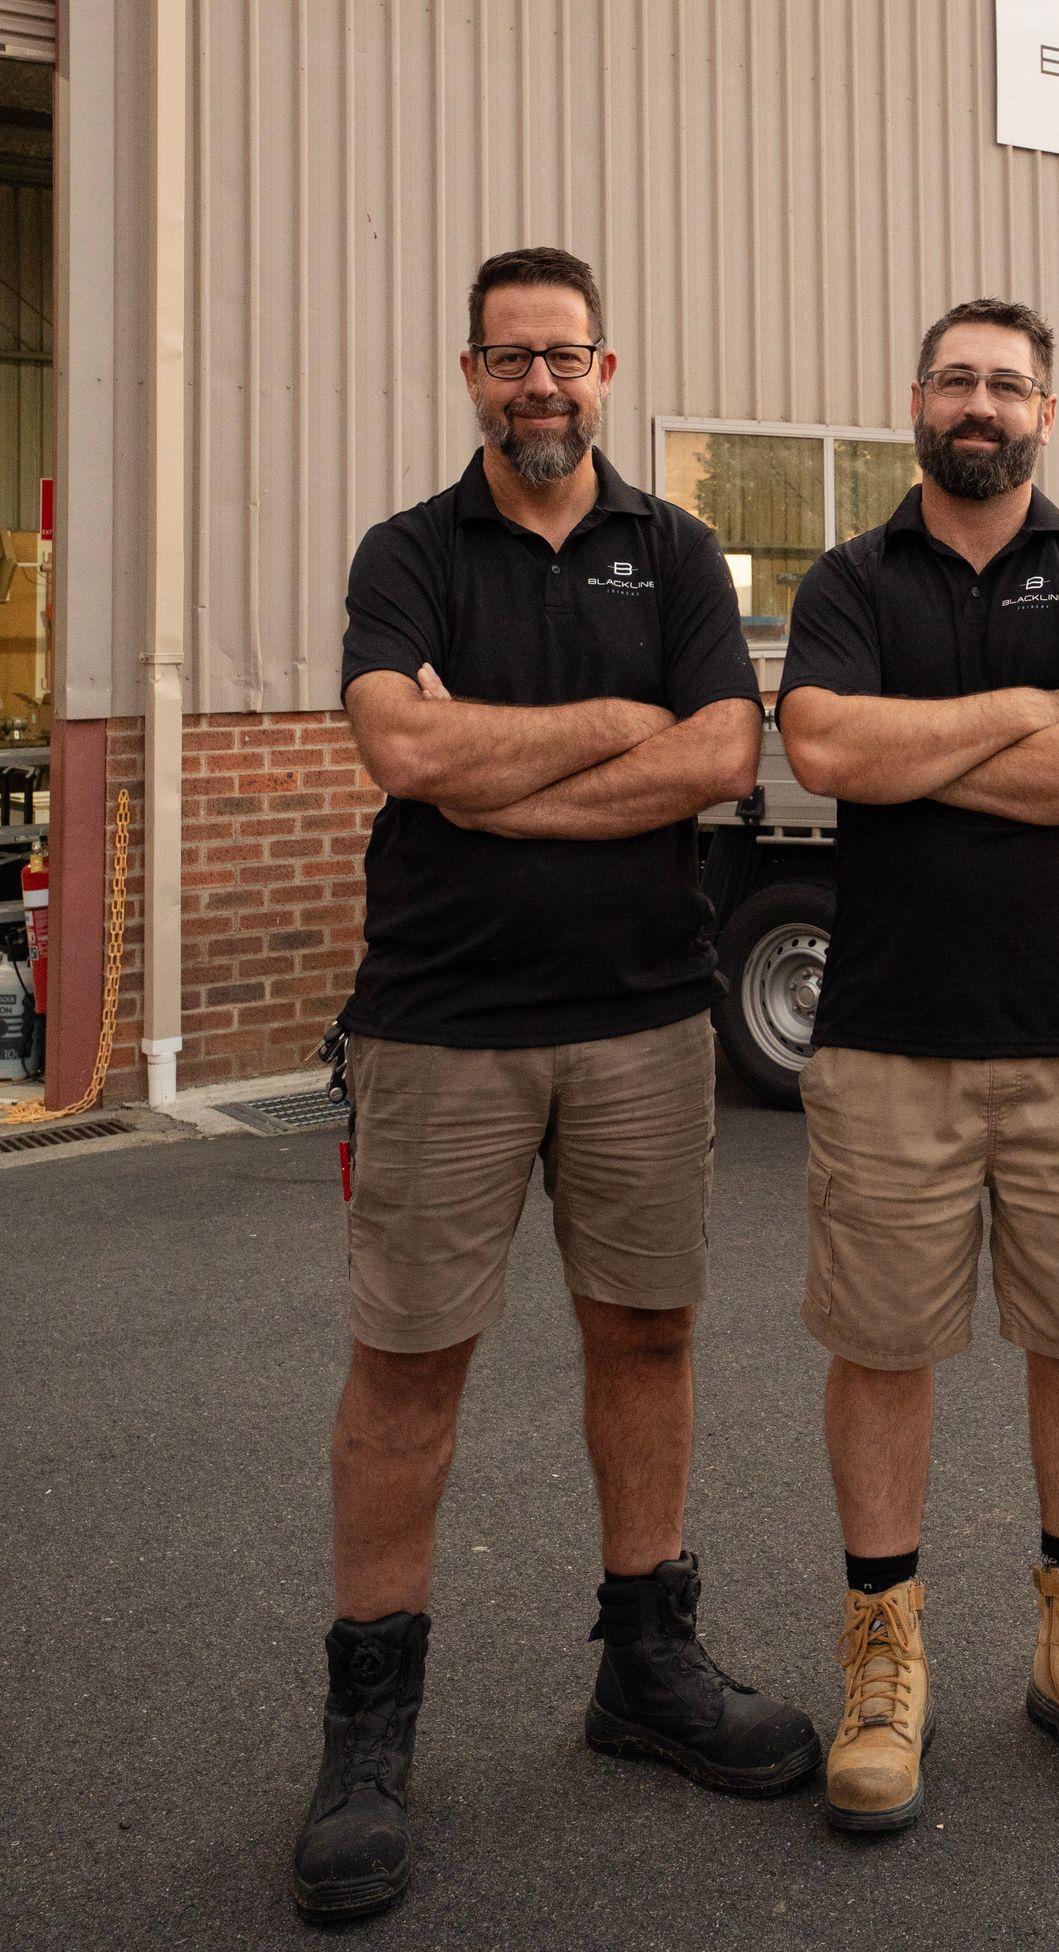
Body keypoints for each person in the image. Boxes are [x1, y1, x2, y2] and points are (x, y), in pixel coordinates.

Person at [291, 246, 820, 1928]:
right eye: (510, 360)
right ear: (470, 374)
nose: (539, 386)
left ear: (607, 369)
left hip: (645, 1022)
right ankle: (370, 1730)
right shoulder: (405, 553)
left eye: (565, 359)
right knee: (409, 1367)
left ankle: (643, 1669)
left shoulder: (673, 550)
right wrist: (612, 738)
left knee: (647, 1336)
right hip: (440, 1026)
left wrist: (507, 765)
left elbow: (724, 755)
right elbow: (406, 751)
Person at [777, 297, 1059, 1835]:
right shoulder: (848, 578)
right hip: (890, 1038)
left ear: (1045, 414)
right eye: (956, 378)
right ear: (915, 401)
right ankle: (884, 1653)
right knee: (881, 1346)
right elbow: (822, 751)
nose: (980, 403)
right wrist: (1029, 712)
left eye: (1008, 384)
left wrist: (928, 745)